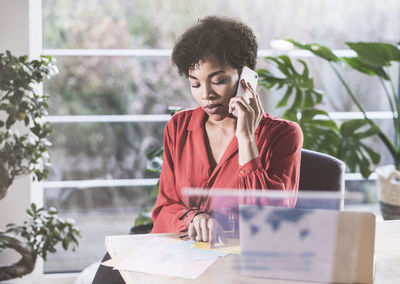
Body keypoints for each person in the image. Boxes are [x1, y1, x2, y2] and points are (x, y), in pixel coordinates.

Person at [151, 16, 303, 243]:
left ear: (246, 79)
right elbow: (165, 208)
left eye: (218, 80)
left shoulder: (283, 135)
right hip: (182, 254)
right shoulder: (179, 127)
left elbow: (271, 221)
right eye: (195, 84)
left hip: (241, 263)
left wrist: (246, 139)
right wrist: (194, 218)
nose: (206, 95)